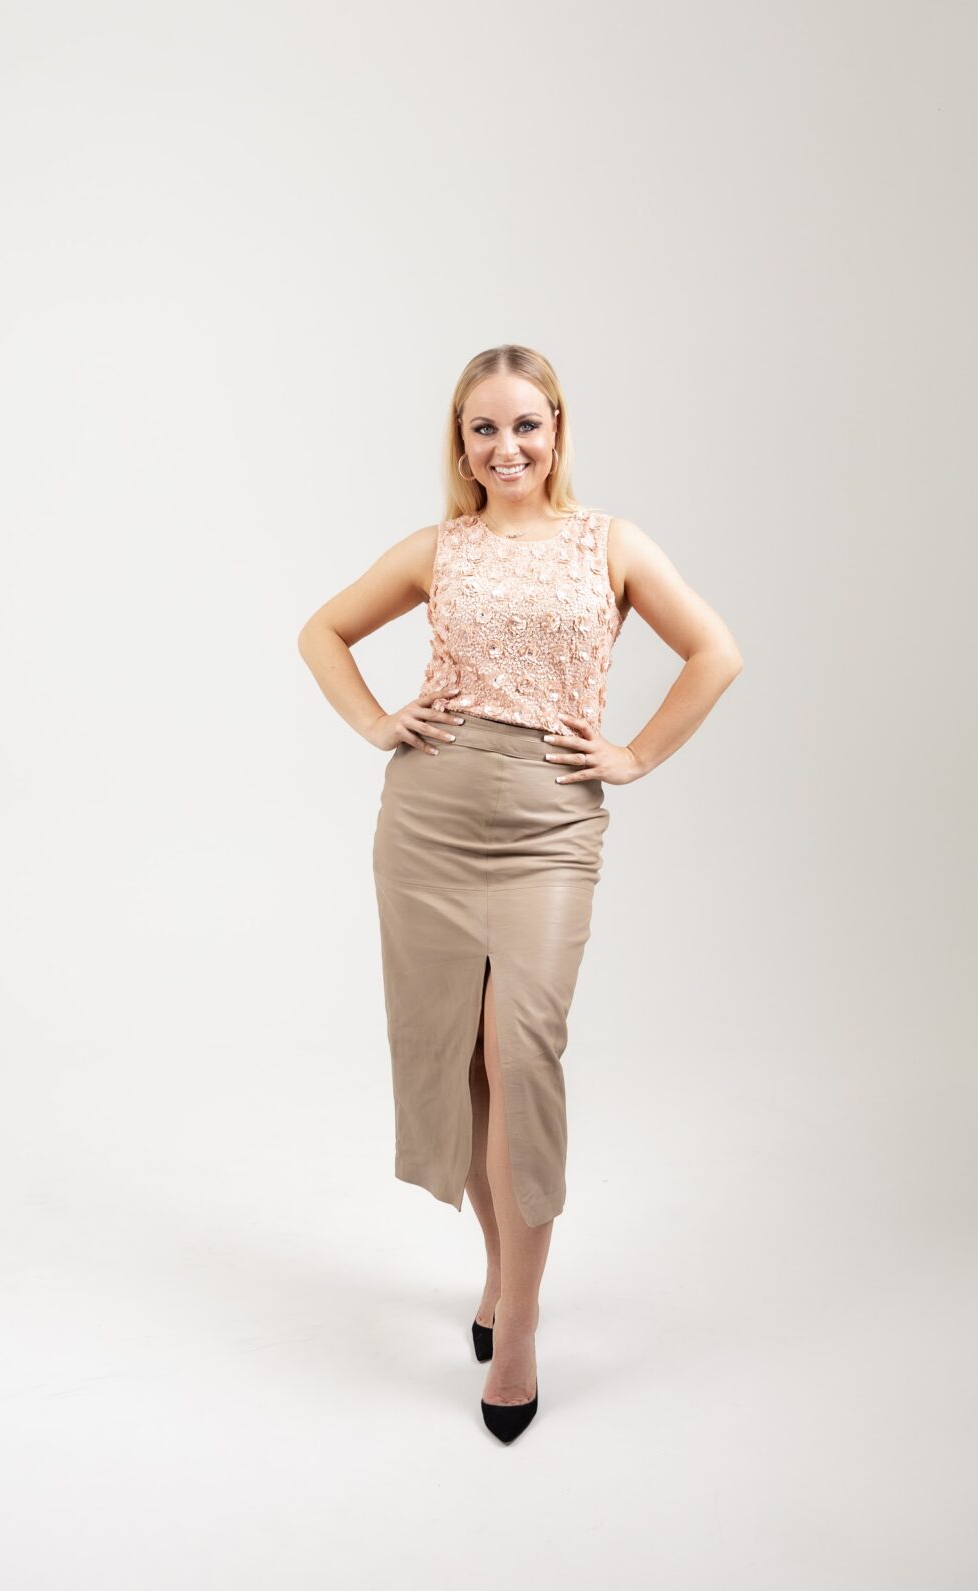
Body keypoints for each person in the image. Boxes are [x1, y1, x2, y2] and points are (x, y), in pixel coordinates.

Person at [297, 344, 743, 1443]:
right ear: (460, 443)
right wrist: (376, 721)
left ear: (556, 430)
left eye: (525, 425)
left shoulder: (611, 544)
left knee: (523, 1053)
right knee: (459, 1058)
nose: (506, 447)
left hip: (550, 825)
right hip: (429, 820)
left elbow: (714, 653)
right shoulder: (438, 547)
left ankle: (522, 1328)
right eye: (483, 428)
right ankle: (499, 1275)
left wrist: (633, 754)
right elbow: (322, 631)